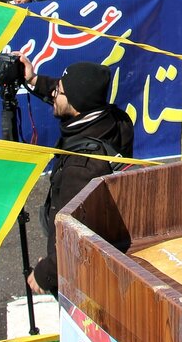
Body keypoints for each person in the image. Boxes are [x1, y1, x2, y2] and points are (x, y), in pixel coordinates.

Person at [19, 59, 133, 295]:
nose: (54, 94)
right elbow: (75, 94)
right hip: (110, 244)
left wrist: (45, 273)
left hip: (79, 275)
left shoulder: (82, 167)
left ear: (77, 104)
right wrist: (33, 80)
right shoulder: (116, 120)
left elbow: (74, 237)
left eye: (59, 91)